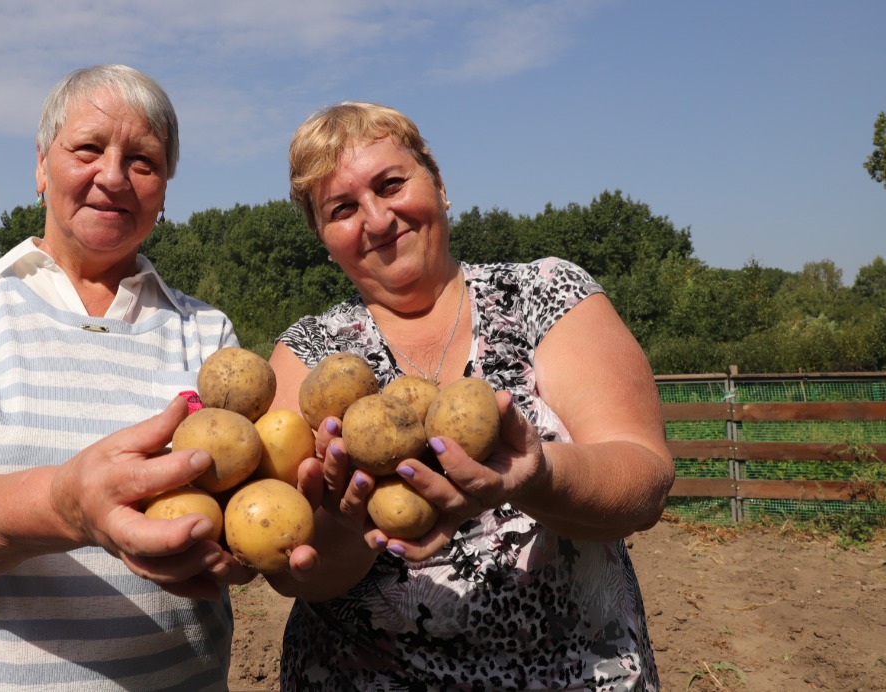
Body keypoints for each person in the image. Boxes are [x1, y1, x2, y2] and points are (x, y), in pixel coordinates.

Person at [0, 64, 254, 691]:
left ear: (164, 188)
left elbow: (246, 511)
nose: (114, 175)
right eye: (89, 149)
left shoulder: (208, 333)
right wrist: (68, 506)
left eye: (144, 161)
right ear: (42, 167)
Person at [264, 102, 675, 690]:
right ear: (322, 236)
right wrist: (347, 525)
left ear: (440, 184)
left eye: (392, 184)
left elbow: (645, 480)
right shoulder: (307, 354)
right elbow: (300, 571)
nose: (378, 220)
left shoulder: (546, 294)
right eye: (343, 208)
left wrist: (538, 479)